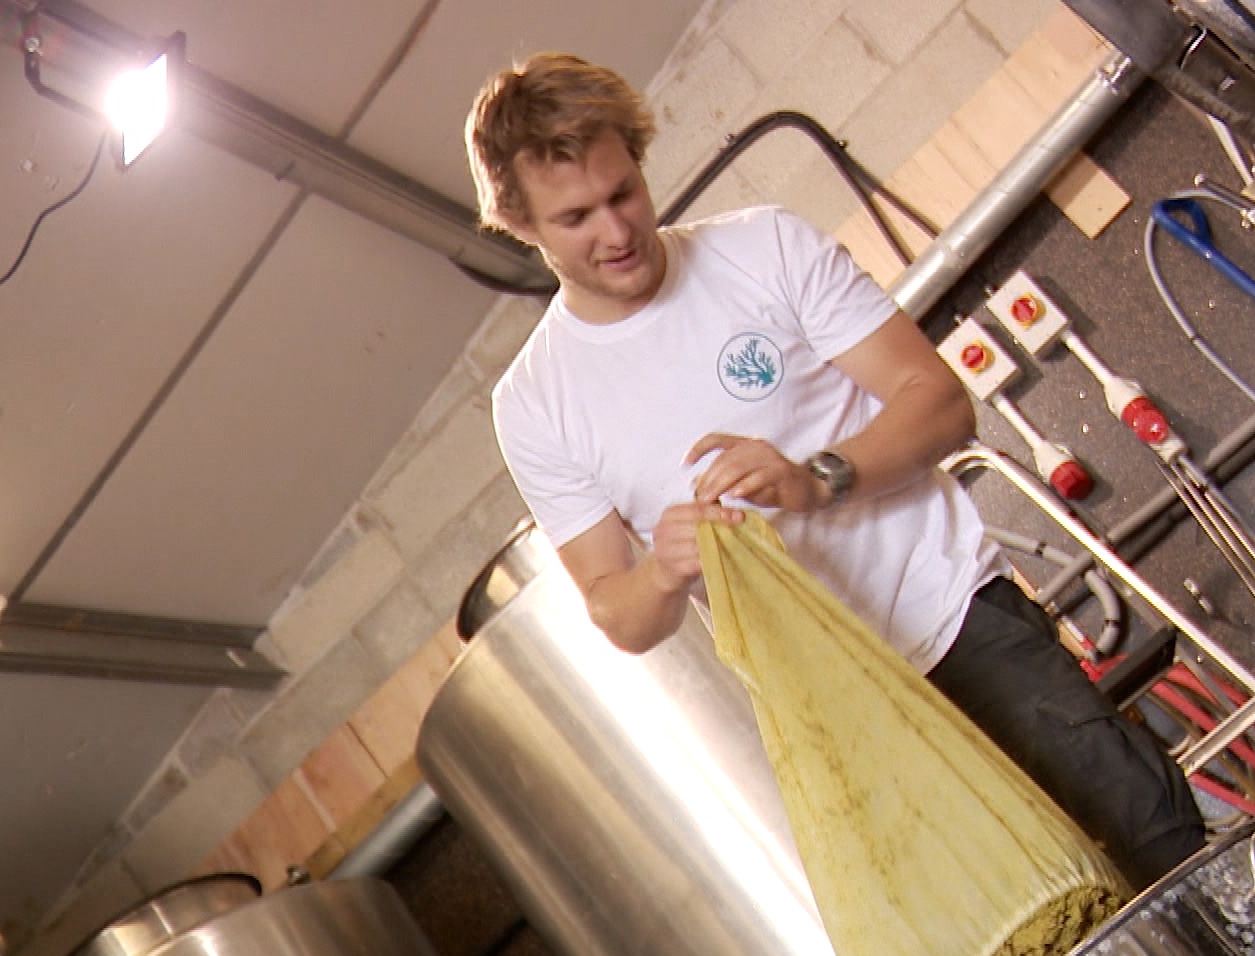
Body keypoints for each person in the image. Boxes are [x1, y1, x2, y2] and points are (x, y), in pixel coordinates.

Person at [468, 53, 1204, 885]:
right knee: (1047, 922)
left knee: (1158, 843)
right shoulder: (535, 402)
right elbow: (619, 614)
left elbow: (938, 401)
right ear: (521, 224)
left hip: (956, 616)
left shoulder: (762, 247)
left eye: (624, 193)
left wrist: (817, 479)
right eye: (576, 218)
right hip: (843, 707)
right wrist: (665, 571)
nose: (616, 231)